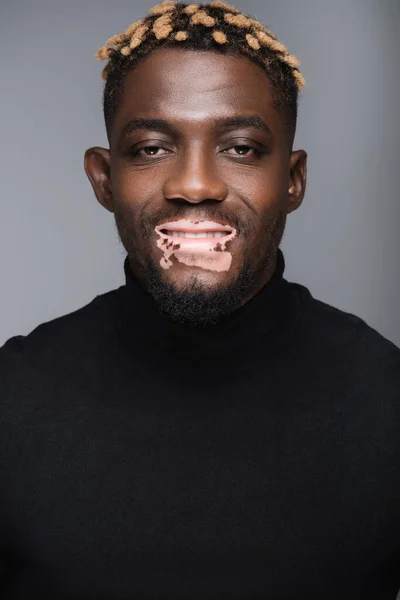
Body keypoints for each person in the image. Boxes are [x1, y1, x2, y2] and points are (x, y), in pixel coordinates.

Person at [0, 1, 399, 598]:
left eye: (240, 148)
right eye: (152, 148)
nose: (194, 185)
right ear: (103, 179)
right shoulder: (11, 400)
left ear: (292, 182)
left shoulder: (387, 399)